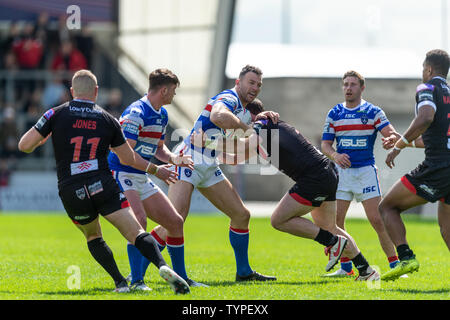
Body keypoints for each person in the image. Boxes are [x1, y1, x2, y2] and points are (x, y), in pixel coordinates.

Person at [17, 69, 190, 294]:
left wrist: (44, 139)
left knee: (93, 235)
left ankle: (120, 283)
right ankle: (163, 266)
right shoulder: (107, 118)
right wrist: (156, 169)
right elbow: (127, 157)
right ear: (96, 92)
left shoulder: (54, 114)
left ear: (72, 91)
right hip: (102, 184)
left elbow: (24, 145)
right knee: (136, 232)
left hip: (71, 188)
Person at [192, 98, 380, 281]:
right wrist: (213, 154)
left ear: (248, 114)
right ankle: (366, 270)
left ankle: (332, 242)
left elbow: (244, 144)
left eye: (238, 115)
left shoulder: (261, 124)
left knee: (278, 220)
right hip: (326, 173)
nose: (236, 122)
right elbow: (235, 158)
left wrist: (207, 142)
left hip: (314, 178)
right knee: (330, 227)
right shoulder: (263, 128)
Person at [152, 65, 277, 282]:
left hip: (208, 164)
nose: (255, 87)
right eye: (251, 82)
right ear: (238, 83)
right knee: (174, 221)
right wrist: (248, 132)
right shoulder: (229, 98)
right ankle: (135, 275)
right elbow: (219, 116)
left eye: (259, 84)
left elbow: (233, 150)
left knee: (241, 215)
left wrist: (260, 120)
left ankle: (244, 273)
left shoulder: (243, 109)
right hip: (189, 159)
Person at [107, 68, 198, 290]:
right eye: (174, 91)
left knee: (175, 222)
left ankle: (182, 278)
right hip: (121, 172)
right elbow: (125, 155)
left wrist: (174, 158)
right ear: (164, 90)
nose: (174, 96)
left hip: (139, 172)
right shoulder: (136, 112)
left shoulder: (162, 114)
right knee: (139, 220)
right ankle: (137, 281)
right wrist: (157, 171)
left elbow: (158, 148)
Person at [320, 70, 402, 277]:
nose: (348, 88)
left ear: (362, 88)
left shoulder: (373, 112)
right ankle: (346, 268)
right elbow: (325, 145)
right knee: (336, 223)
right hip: (342, 174)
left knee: (377, 219)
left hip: (366, 172)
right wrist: (335, 156)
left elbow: (391, 133)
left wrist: (390, 140)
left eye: (353, 85)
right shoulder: (335, 113)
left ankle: (395, 266)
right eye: (345, 84)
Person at [378, 49, 450, 281]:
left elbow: (426, 117)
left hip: (439, 166)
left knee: (387, 207)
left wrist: (398, 147)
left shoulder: (427, 88)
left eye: (423, 69)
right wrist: (403, 141)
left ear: (429, 69)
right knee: (447, 226)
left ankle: (406, 258)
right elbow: (436, 135)